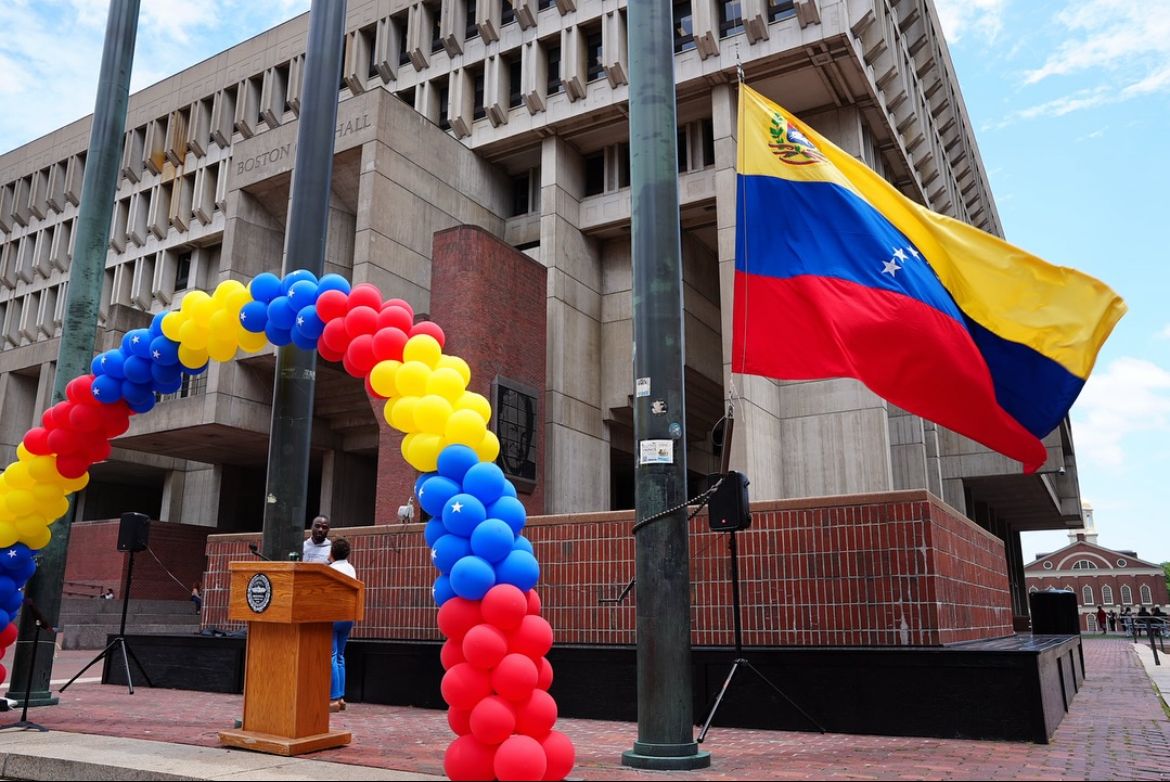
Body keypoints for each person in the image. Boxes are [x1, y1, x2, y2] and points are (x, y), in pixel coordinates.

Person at [328, 537, 358, 713]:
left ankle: (333, 698)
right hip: (348, 616)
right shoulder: (351, 569)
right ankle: (341, 697)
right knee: (340, 656)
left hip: (333, 615)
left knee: (331, 655)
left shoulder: (331, 570)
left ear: (331, 553)